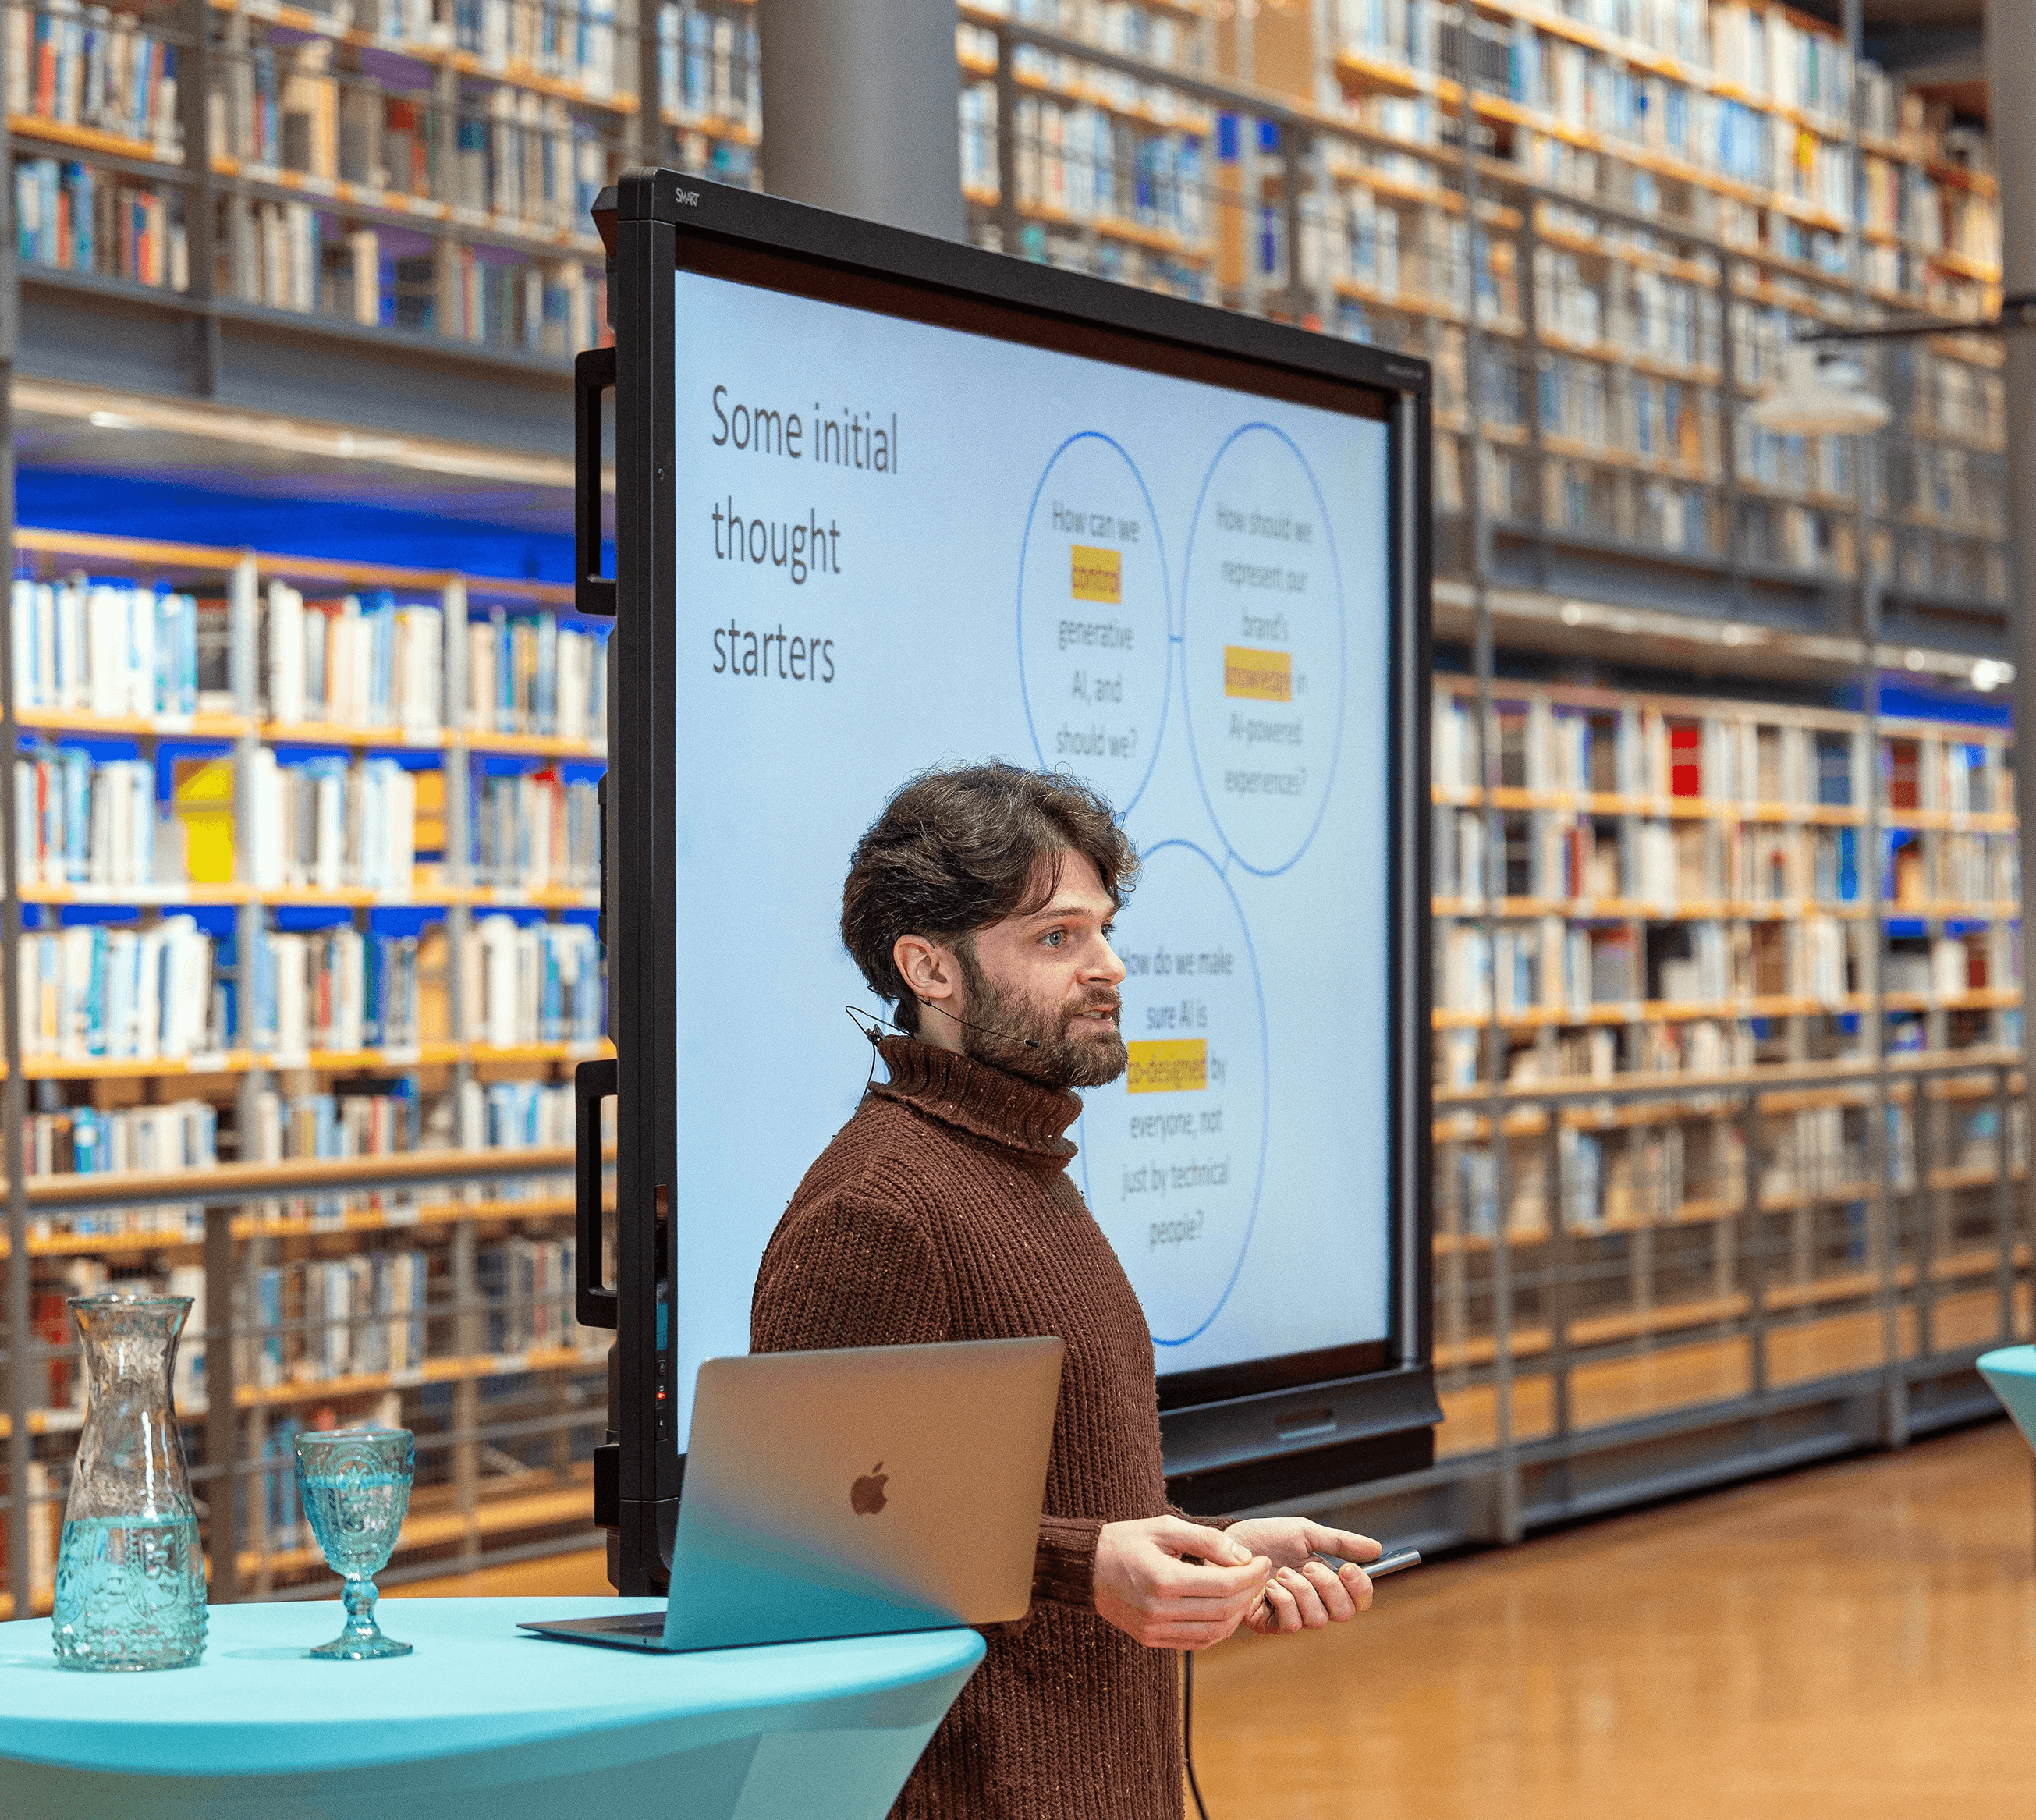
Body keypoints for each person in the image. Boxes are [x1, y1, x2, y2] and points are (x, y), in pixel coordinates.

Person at [750, 761, 1383, 1820]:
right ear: (930, 970)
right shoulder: (881, 1204)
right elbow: (810, 1539)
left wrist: (1203, 1550)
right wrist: (1090, 1564)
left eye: (1101, 930)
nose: (1109, 969)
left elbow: (1017, 1502)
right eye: (1056, 939)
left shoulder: (1015, 1167)